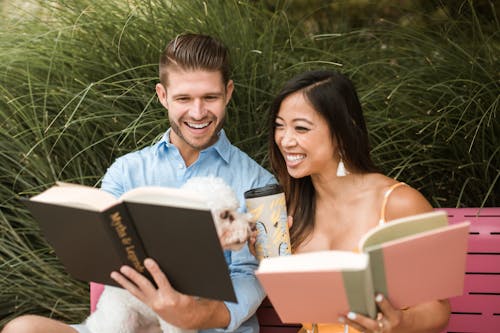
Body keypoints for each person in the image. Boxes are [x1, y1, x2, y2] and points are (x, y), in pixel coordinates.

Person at [2, 33, 275, 333]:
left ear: (228, 92)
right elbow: (104, 260)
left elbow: (254, 275)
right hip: (126, 322)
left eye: (210, 97)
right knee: (22, 329)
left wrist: (194, 316)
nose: (198, 113)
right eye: (184, 98)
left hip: (206, 326)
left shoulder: (258, 182)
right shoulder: (126, 171)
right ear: (162, 95)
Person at [266, 70, 450, 333]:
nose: (285, 139)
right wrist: (269, 255)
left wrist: (400, 323)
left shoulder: (399, 204)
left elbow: (438, 309)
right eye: (279, 125)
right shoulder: (291, 208)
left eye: (301, 128)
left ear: (343, 130)